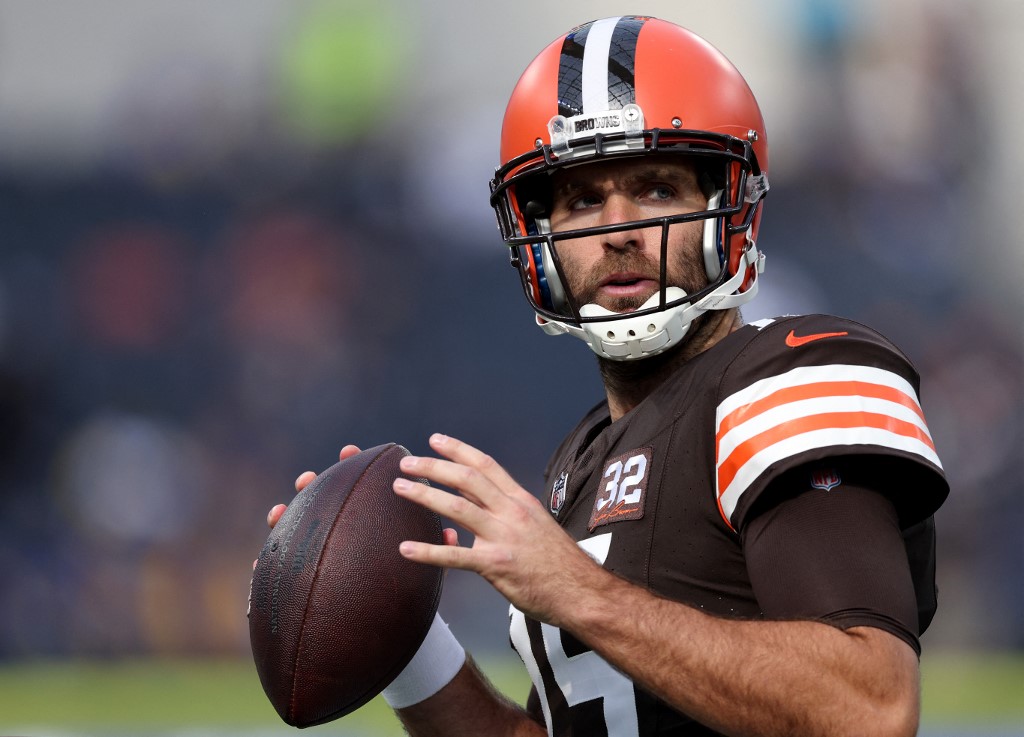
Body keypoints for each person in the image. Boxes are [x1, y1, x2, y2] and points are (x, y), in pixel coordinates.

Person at [264, 16, 948, 737]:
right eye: (583, 200)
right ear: (539, 236)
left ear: (728, 206)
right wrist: (402, 627)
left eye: (654, 189)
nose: (618, 229)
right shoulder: (582, 459)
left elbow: (868, 710)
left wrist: (581, 593)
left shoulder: (794, 373)